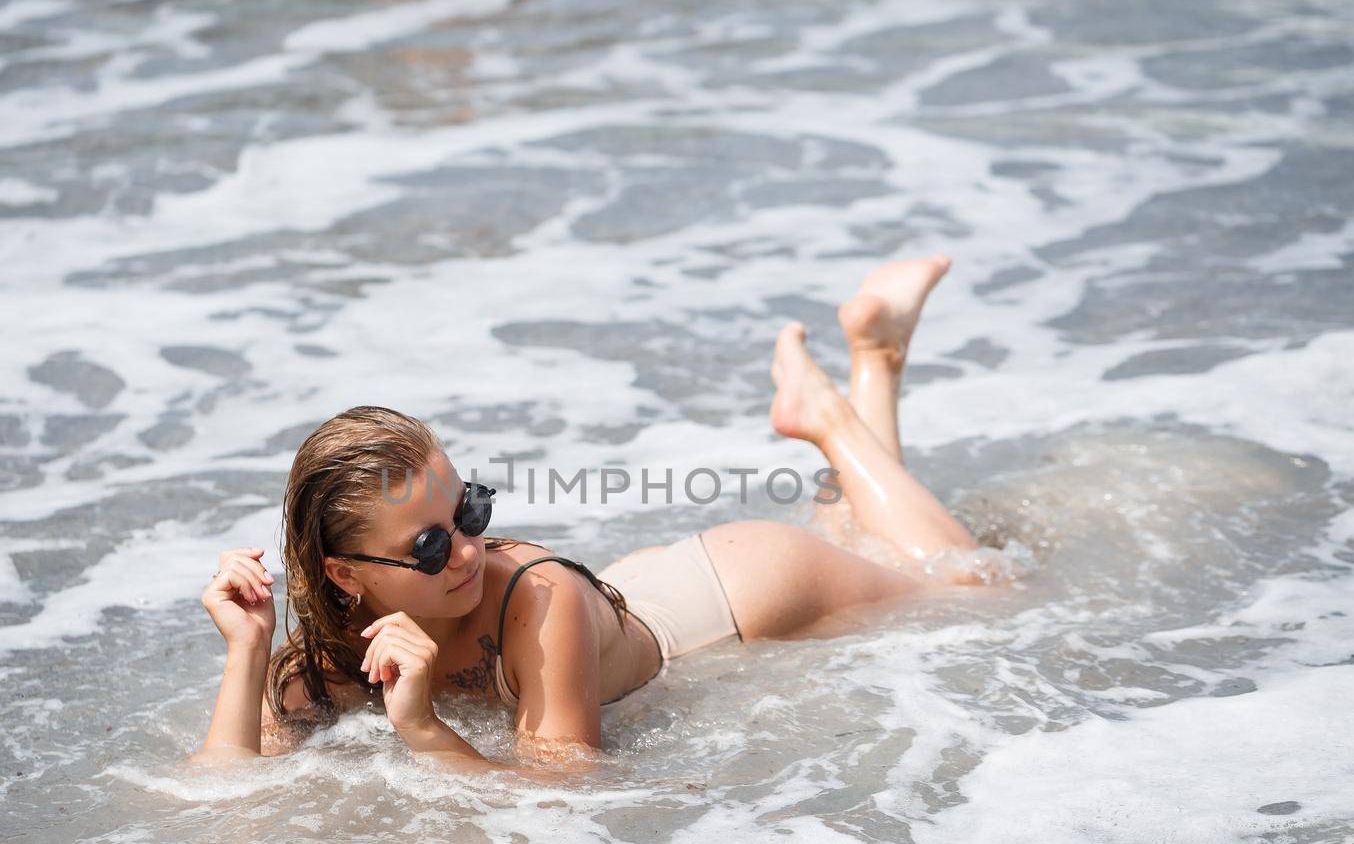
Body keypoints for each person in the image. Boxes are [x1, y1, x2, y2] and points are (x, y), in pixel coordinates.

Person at [191, 255, 996, 773]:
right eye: (431, 545)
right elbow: (226, 792)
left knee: (978, 593)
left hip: (740, 594)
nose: (469, 549)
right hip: (643, 594)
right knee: (869, 535)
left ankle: (828, 414)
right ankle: (876, 356)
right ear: (344, 574)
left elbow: (563, 794)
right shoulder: (325, 652)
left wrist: (426, 728)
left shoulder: (538, 597)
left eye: (469, 510)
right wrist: (249, 651)